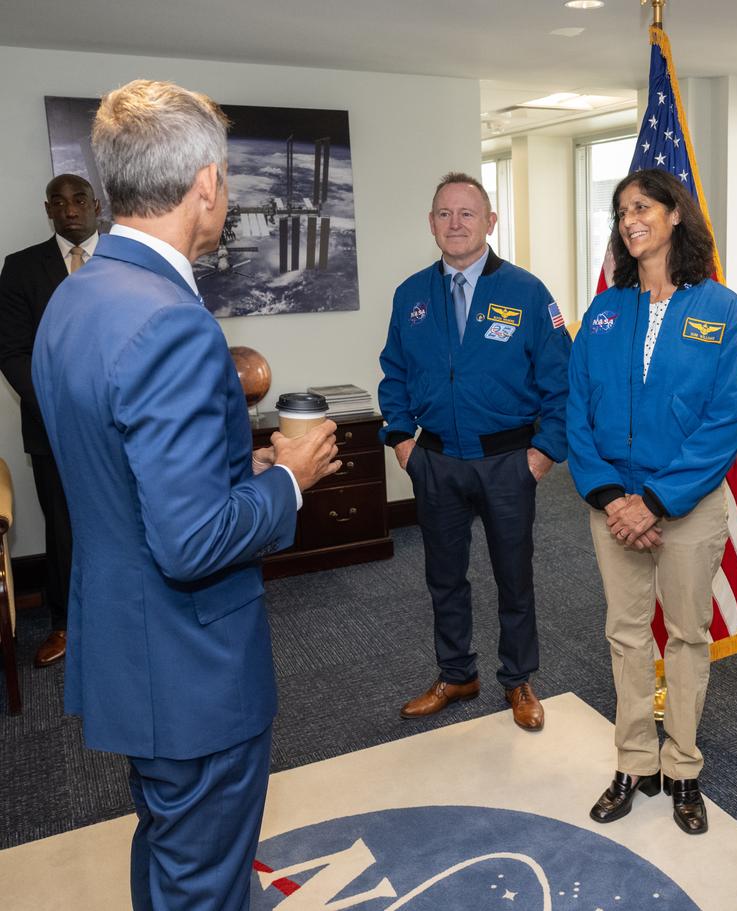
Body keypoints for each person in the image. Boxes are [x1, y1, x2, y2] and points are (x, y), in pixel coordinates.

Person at [31, 79, 340, 910]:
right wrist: (289, 478)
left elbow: (128, 482)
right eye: (228, 179)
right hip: (191, 670)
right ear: (206, 184)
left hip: (130, 650)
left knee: (170, 854)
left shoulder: (72, 299)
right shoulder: (171, 321)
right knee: (204, 880)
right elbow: (193, 539)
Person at [567, 168, 737, 835]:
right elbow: (578, 409)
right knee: (624, 635)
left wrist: (657, 499)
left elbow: (724, 418)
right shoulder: (606, 309)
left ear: (676, 214)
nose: (629, 220)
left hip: (687, 501)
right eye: (621, 212)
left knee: (685, 636)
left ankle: (681, 768)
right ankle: (633, 762)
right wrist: (615, 496)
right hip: (612, 502)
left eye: (641, 207)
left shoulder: (719, 307)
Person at [379, 172, 570, 732]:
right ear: (431, 223)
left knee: (514, 575)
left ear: (490, 222)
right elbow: (393, 372)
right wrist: (402, 440)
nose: (455, 223)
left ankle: (518, 679)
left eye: (467, 213)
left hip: (509, 462)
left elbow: (560, 380)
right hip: (436, 462)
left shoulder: (527, 293)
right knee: (444, 576)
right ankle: (456, 672)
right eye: (444, 213)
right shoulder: (411, 295)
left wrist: (544, 454)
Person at [0, 174, 102, 667]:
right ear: (48, 210)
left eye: (79, 199)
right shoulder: (21, 269)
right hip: (54, 428)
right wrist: (63, 407)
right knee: (63, 529)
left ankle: (130, 617)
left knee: (131, 520)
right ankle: (64, 623)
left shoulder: (128, 258)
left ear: (96, 204)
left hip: (126, 424)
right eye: (58, 203)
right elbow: (12, 352)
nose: (70, 211)